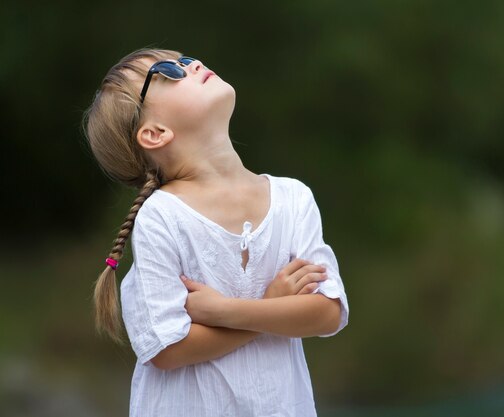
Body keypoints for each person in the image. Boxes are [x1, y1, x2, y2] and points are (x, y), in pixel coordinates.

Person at [82, 48, 349, 417]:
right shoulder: (161, 216)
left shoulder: (294, 199)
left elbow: (327, 313)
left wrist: (227, 310)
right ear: (155, 133)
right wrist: (271, 309)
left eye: (185, 58)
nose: (191, 64)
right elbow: (167, 350)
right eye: (167, 71)